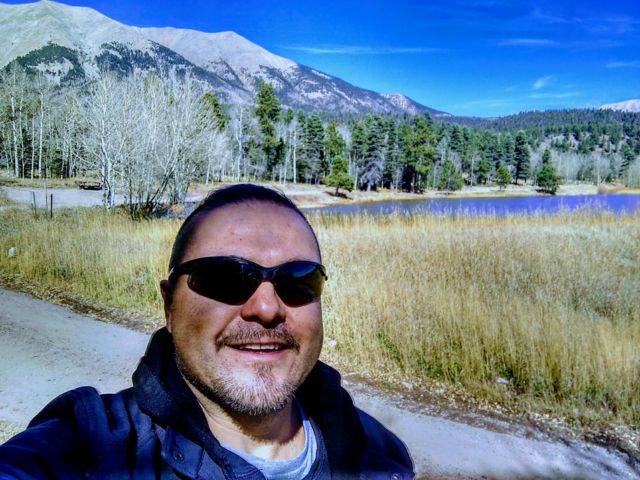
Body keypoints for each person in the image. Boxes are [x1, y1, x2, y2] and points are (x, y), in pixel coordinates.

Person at [0, 184, 414, 479]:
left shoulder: (380, 452)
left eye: (299, 281)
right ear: (170, 305)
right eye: (225, 278)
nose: (267, 308)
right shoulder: (88, 450)